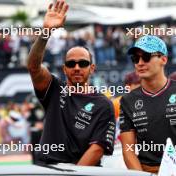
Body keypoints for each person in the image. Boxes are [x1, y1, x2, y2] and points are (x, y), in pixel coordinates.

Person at [27, 0, 115, 166]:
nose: (76, 67)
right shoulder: (54, 89)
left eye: (82, 64)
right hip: (47, 168)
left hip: (81, 171)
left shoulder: (103, 104)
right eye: (71, 64)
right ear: (64, 69)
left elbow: (97, 149)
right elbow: (33, 66)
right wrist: (46, 32)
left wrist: (73, 174)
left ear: (92, 68)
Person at [120, 35, 176, 176]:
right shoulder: (127, 100)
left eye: (146, 57)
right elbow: (128, 149)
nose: (140, 63)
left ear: (163, 59)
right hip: (148, 172)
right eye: (135, 59)